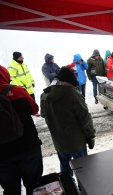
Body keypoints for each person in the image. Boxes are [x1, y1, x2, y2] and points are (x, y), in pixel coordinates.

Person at [40, 67, 96, 187]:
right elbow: (85, 118)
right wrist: (90, 134)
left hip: (59, 141)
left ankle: (68, 187)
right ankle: (85, 188)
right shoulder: (73, 95)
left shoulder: (44, 95)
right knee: (83, 168)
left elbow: (43, 115)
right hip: (76, 142)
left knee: (65, 166)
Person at [0, 65, 43, 194]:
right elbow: (34, 109)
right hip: (28, 146)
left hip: (2, 155)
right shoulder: (18, 91)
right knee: (35, 185)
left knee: (11, 189)